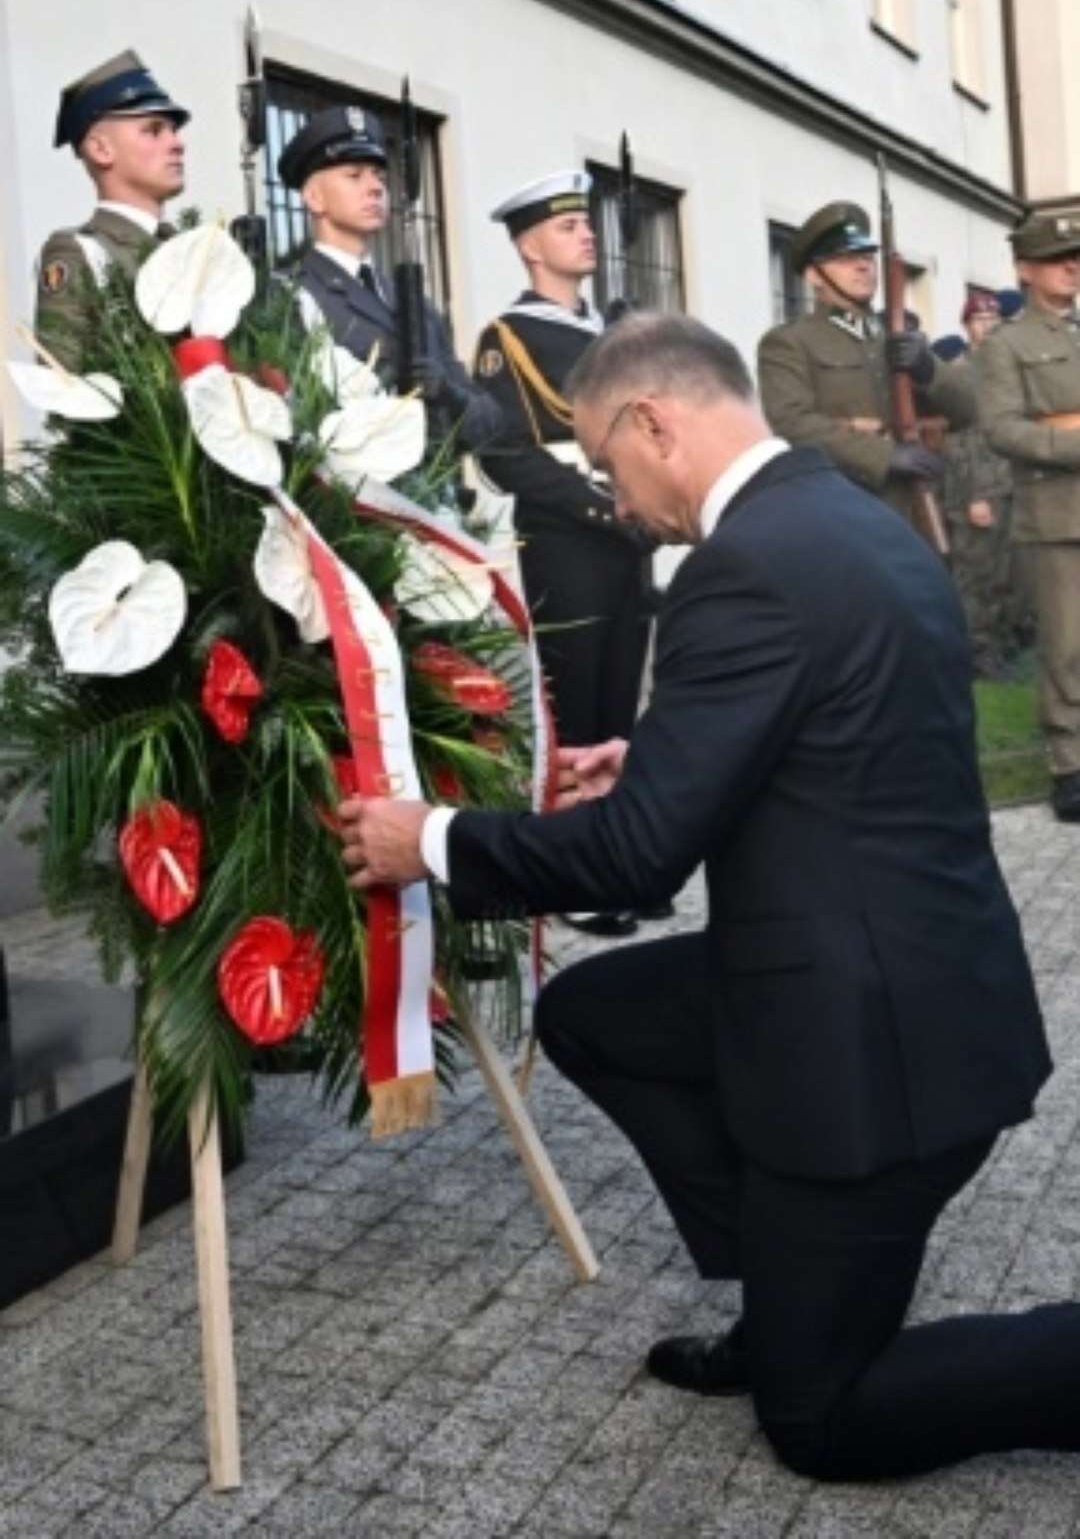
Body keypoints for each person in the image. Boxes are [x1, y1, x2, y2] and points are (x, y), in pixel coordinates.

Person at [339, 311, 1080, 1485]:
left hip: (874, 1060)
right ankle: (790, 1281)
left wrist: (423, 837)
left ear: (653, 422)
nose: (616, 501)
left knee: (821, 1425)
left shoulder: (743, 569)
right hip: (925, 989)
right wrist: (662, 754)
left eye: (605, 466)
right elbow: (848, 727)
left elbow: (635, 865)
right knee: (598, 1014)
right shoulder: (842, 520)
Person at [474, 169, 660, 938]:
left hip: (630, 536)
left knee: (622, 705)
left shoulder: (613, 332)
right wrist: (595, 504)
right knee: (574, 712)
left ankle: (620, 859)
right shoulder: (508, 338)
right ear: (528, 246)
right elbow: (502, 452)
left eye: (586, 223)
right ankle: (575, 873)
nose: (586, 234)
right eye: (565, 226)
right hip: (568, 539)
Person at [276, 106, 500, 448]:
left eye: (379, 177)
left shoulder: (412, 302)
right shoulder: (293, 293)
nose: (375, 188)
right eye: (354, 176)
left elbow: (489, 423)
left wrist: (447, 393)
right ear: (314, 197)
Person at [757, 201, 974, 527]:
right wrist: (883, 455)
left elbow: (970, 409)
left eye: (867, 257)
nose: (863, 267)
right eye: (846, 259)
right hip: (842, 509)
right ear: (815, 275)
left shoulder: (897, 336)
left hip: (916, 507)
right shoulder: (789, 342)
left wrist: (928, 369)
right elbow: (793, 424)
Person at [977, 214, 1080, 822]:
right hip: (1055, 513)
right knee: (1067, 646)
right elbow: (1000, 428)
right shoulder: (1007, 346)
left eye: (1075, 256)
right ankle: (1070, 764)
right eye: (1056, 257)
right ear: (1024, 269)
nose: (1071, 266)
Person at [35, 50, 189, 370]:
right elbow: (62, 388)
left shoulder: (189, 249)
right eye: (154, 130)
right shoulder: (82, 252)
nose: (177, 143)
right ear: (101, 149)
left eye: (174, 130)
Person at [941, 291, 1022, 678]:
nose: (988, 326)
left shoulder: (1004, 369)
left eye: (993, 319)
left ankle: (1000, 649)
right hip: (976, 490)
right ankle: (974, 654)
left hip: (1009, 483)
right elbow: (958, 442)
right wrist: (974, 496)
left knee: (1006, 573)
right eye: (979, 320)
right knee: (975, 576)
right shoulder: (960, 373)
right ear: (966, 327)